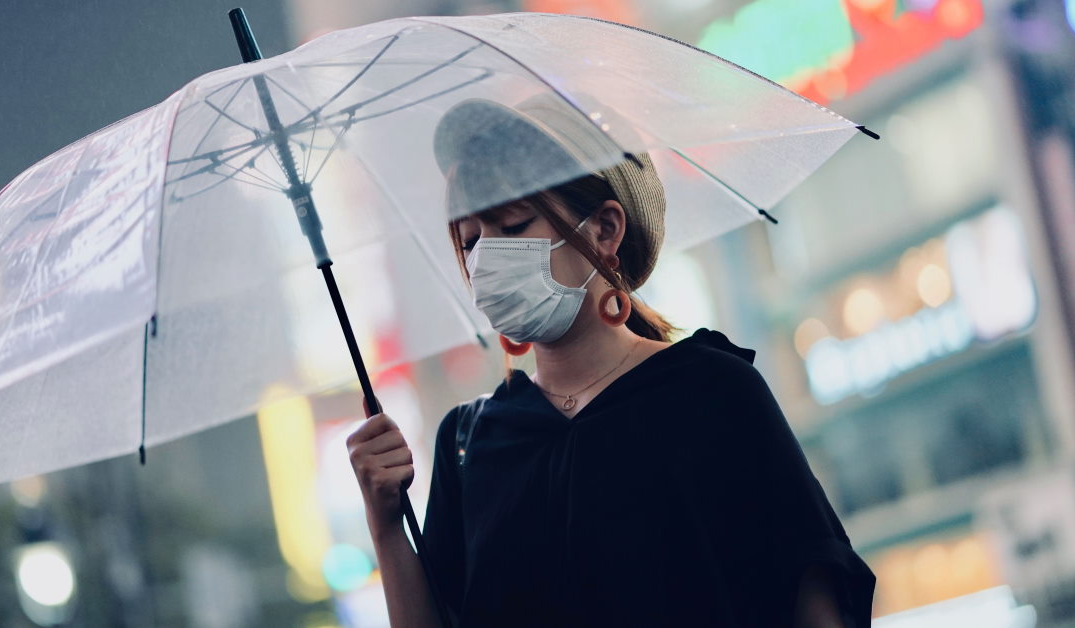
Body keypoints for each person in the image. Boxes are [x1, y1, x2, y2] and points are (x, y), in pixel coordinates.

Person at [346, 95, 876, 627]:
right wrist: (386, 522)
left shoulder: (712, 391)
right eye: (470, 241)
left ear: (604, 230)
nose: (486, 259)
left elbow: (812, 595)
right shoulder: (467, 443)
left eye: (511, 227)